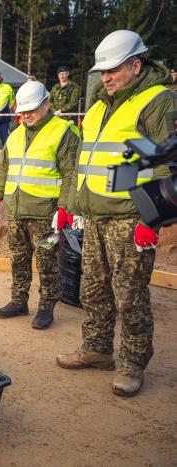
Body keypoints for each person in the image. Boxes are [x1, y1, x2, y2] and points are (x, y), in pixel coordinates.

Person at [58, 30, 176, 396]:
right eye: (102, 71)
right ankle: (97, 349)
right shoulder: (97, 105)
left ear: (136, 65)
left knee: (130, 296)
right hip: (94, 215)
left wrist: (151, 219)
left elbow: (167, 164)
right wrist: (72, 206)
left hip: (130, 218)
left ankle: (132, 363)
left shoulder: (158, 101)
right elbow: (84, 160)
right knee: (93, 289)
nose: (105, 77)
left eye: (113, 70)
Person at [0, 81, 78, 330]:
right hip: (17, 212)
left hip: (45, 215)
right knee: (18, 259)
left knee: (47, 262)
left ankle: (46, 308)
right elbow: (3, 169)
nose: (26, 115)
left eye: (32, 110)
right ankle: (19, 301)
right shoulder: (16, 135)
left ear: (47, 103)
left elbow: (72, 174)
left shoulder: (63, 132)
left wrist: (65, 209)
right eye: (22, 111)